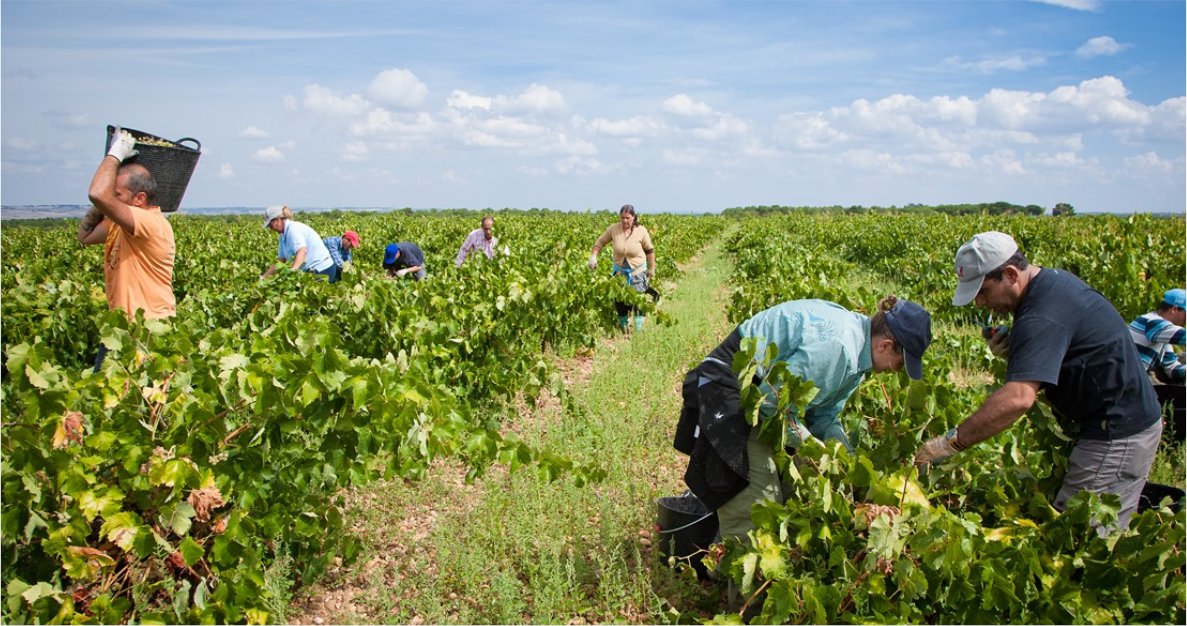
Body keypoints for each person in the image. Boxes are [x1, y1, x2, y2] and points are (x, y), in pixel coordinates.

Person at [914, 231, 1162, 530]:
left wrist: (950, 443)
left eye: (983, 291)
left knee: (1077, 536)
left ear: (1010, 274)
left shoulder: (1041, 315)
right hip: (1107, 420)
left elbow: (1018, 398)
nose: (980, 302)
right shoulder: (1049, 286)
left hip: (1118, 432)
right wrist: (1020, 351)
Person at [674, 296, 933, 544]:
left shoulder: (858, 355)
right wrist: (815, 448)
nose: (893, 371)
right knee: (759, 502)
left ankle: (723, 545)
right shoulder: (839, 348)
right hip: (731, 385)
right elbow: (771, 403)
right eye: (899, 365)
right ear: (885, 345)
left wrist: (848, 462)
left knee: (787, 484)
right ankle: (729, 562)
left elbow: (824, 416)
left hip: (760, 395)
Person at [77, 128, 176, 371]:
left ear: (139, 199)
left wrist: (115, 154)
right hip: (121, 328)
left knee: (140, 393)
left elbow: (97, 194)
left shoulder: (149, 222)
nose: (111, 197)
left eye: (117, 194)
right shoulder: (118, 224)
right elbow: (84, 236)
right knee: (103, 389)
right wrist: (107, 200)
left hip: (147, 329)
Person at [588, 204, 658, 331]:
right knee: (620, 301)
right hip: (619, 273)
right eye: (622, 218)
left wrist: (651, 268)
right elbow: (600, 242)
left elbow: (650, 250)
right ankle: (623, 328)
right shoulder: (614, 229)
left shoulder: (641, 230)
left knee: (638, 300)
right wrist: (593, 256)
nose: (625, 220)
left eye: (628, 218)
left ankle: (638, 329)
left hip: (637, 272)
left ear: (633, 217)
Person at [1129, 288, 1185, 441]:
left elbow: (1172, 369)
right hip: (1125, 382)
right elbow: (1183, 336)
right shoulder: (1151, 322)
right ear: (1174, 309)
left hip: (1135, 383)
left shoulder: (1162, 335)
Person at [260, 205, 337, 282]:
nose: (271, 229)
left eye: (270, 225)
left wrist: (292, 272)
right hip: (311, 271)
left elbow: (302, 251)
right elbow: (280, 261)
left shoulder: (293, 229)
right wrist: (264, 278)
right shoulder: (282, 235)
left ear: (278, 220)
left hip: (322, 270)